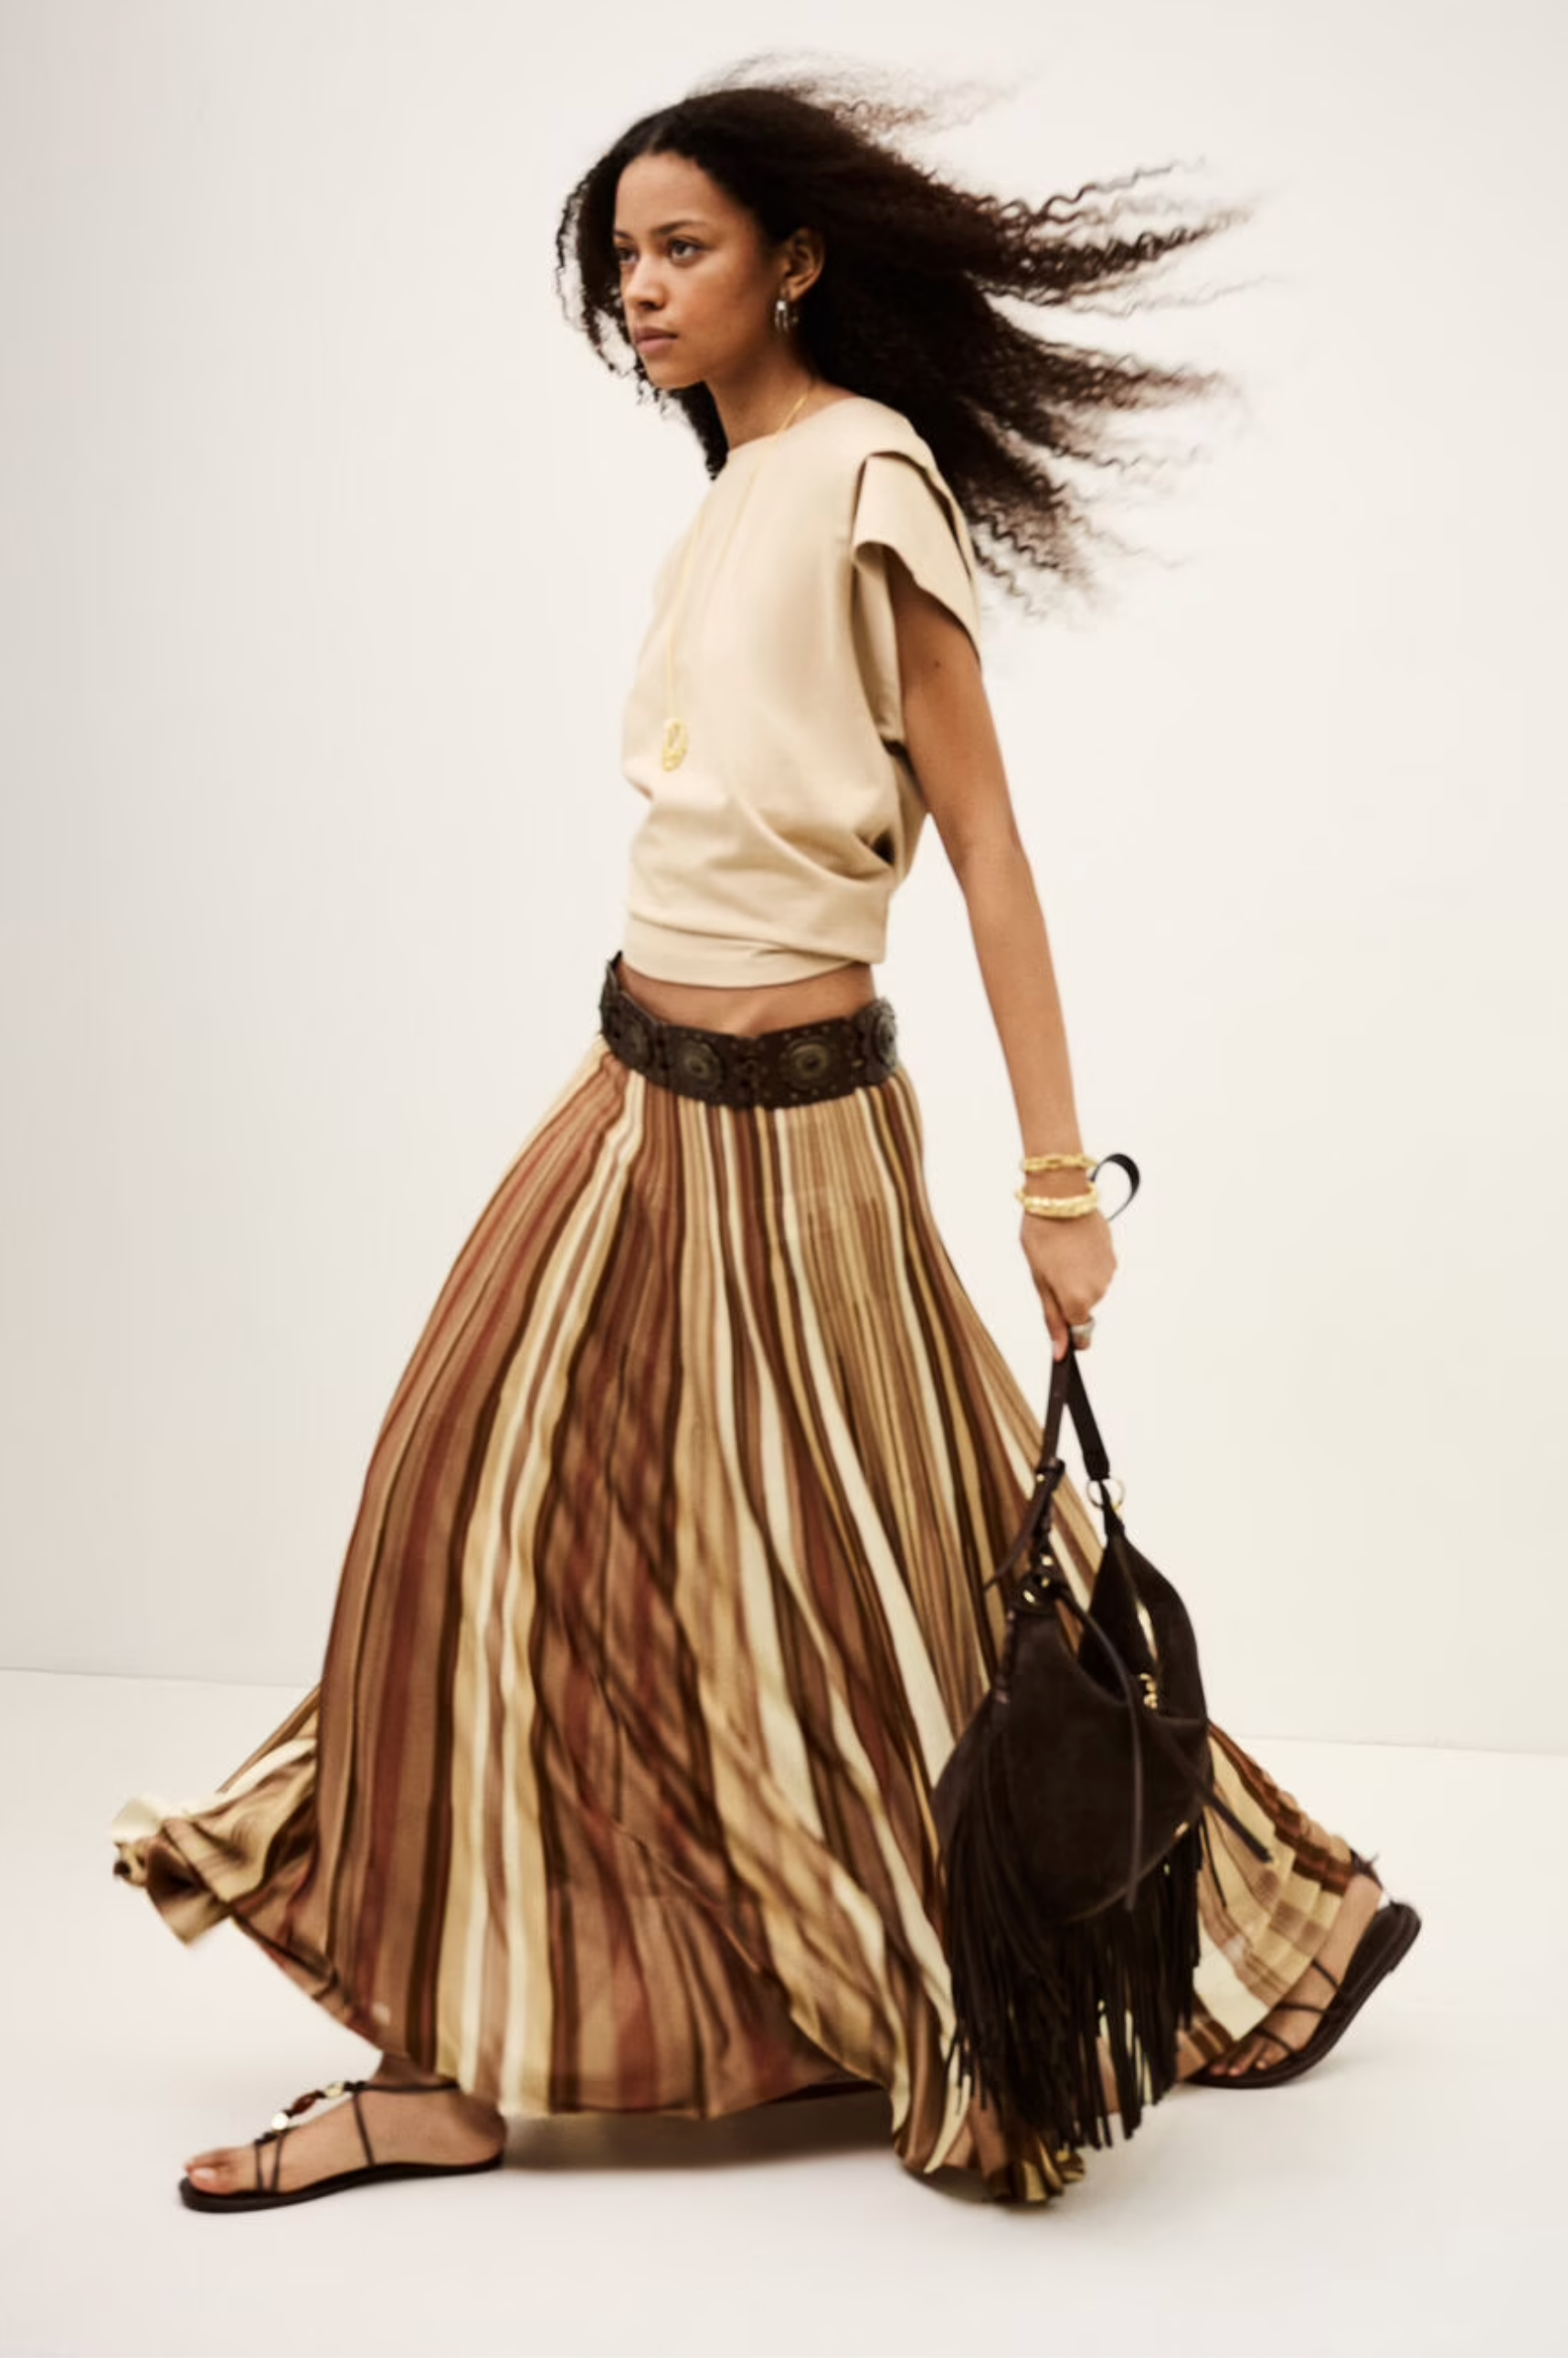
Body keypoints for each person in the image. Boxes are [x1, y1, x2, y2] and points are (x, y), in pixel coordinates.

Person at [111, 68, 1419, 2213]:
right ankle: (450, 2064)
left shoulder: (867, 478)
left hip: (803, 1145)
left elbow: (988, 850)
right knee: (467, 1524)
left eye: (683, 248)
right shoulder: (731, 490)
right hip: (633, 1101)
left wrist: (1057, 1186)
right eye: (622, 258)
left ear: (793, 260)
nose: (641, 289)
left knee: (898, 1579)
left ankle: (1240, 1920)